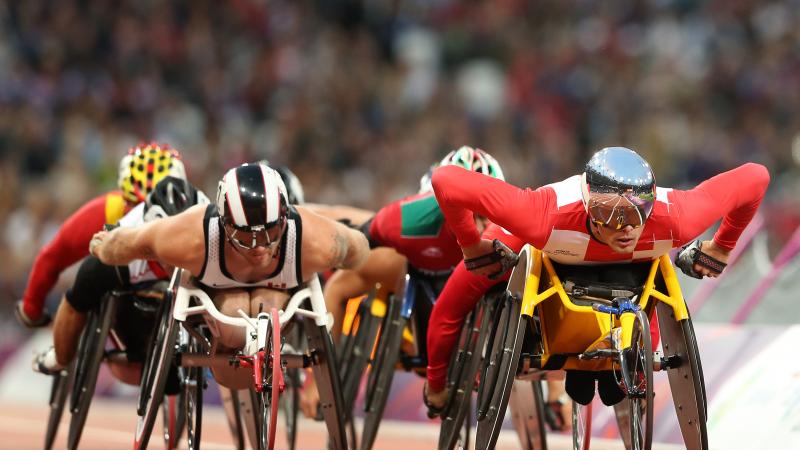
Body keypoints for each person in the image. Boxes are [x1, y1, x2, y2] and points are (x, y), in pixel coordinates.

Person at [426, 146, 769, 408]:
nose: (627, 228)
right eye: (610, 214)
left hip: (632, 273)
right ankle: (437, 384)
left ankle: (626, 357)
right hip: (555, 240)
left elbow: (757, 176)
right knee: (460, 292)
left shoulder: (678, 218)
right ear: (589, 207)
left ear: (652, 201)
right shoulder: (541, 216)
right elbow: (445, 180)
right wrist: (471, 248)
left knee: (657, 270)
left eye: (639, 212)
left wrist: (724, 246)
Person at [89, 162, 371, 388]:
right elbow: (137, 241)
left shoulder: (315, 239)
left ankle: (261, 342)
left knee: (266, 307)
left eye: (270, 233)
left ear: (284, 219)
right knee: (235, 319)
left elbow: (358, 248)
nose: (259, 247)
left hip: (277, 295)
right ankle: (235, 342)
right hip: (221, 299)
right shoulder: (194, 235)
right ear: (223, 223)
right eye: (245, 236)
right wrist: (105, 247)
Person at [299, 146, 505, 418]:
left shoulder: (508, 226)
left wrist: (553, 391)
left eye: (484, 212)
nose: (478, 226)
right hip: (413, 265)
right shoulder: (408, 220)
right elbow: (351, 258)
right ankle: (318, 381)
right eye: (470, 212)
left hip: (471, 286)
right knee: (344, 274)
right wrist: (317, 381)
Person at [33, 176, 208, 377]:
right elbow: (99, 244)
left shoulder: (212, 227)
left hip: (197, 265)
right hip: (134, 260)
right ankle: (60, 357)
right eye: (169, 242)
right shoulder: (133, 225)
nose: (174, 252)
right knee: (86, 282)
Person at [16, 143, 186, 327]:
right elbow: (53, 256)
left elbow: (52, 256)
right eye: (135, 209)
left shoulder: (108, 209)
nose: (143, 218)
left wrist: (31, 310)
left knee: (79, 294)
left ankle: (60, 355)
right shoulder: (108, 209)